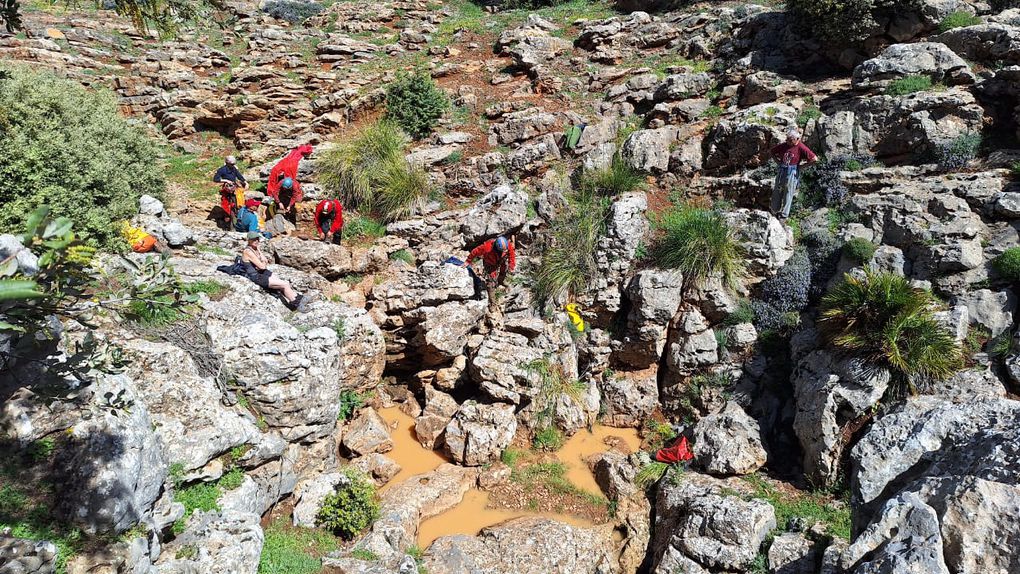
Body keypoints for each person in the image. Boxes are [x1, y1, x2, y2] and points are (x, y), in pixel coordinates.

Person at [241, 231, 304, 310]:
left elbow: (265, 260)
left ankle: (296, 298)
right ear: (249, 240)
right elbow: (262, 266)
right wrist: (263, 263)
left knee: (282, 282)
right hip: (256, 276)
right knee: (284, 285)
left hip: (261, 272)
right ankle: (297, 304)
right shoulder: (248, 251)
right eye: (254, 239)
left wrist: (259, 251)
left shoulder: (255, 248)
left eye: (257, 239)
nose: (256, 241)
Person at [769, 128, 818, 219]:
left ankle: (784, 215)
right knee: (777, 190)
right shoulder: (784, 145)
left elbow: (814, 159)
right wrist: (778, 162)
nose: (788, 141)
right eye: (787, 139)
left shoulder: (801, 147)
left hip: (792, 171)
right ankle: (774, 211)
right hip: (782, 170)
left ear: (797, 139)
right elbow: (772, 152)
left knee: (788, 192)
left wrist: (801, 167)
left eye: (790, 140)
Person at [462, 235, 516, 312]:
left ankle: (501, 281)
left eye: (505, 250)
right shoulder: (487, 247)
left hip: (501, 259)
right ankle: (492, 304)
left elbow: (512, 255)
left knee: (504, 270)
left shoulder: (507, 245)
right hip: (490, 263)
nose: (505, 251)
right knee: (490, 283)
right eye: (503, 250)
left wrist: (511, 266)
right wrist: (468, 260)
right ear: (497, 248)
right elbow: (475, 251)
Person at [267, 145, 313, 219]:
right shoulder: (281, 182)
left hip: (295, 193)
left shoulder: (295, 185)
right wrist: (279, 203)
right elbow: (275, 192)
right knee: (282, 197)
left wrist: (289, 205)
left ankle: (294, 215)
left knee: (298, 200)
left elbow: (294, 196)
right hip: (284, 194)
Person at [214, 156, 247, 228]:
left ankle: (237, 223)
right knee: (227, 207)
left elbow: (239, 176)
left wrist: (245, 182)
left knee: (237, 205)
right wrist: (226, 180)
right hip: (227, 190)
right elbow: (216, 179)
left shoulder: (234, 169)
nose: (233, 165)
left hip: (234, 189)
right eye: (232, 164)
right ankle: (228, 225)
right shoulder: (222, 170)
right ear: (227, 163)